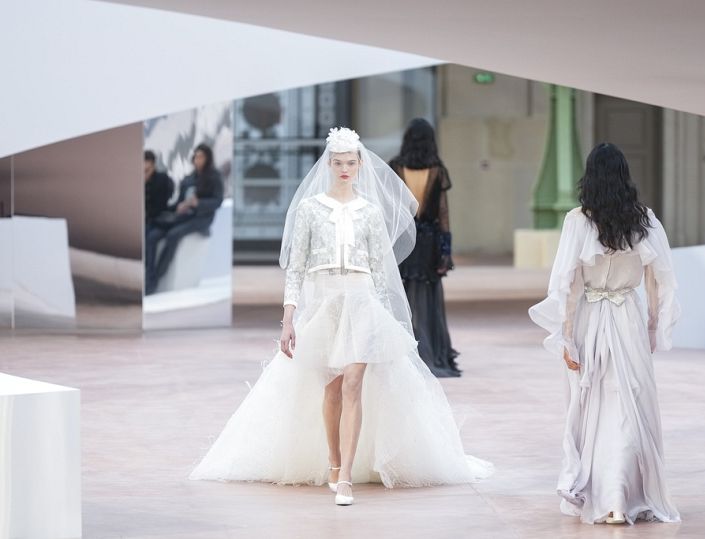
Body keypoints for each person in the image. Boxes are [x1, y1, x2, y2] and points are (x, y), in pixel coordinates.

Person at [189, 128, 492, 505]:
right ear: (328, 164)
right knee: (331, 388)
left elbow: (382, 273)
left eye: (351, 162)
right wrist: (289, 319)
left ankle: (346, 476)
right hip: (325, 303)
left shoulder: (370, 211)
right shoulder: (310, 209)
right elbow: (296, 268)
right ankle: (333, 462)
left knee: (352, 382)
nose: (345, 168)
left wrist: (386, 317)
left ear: (360, 164)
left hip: (362, 301)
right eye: (338, 162)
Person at [529, 143, 681, 525]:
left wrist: (565, 336)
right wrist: (651, 327)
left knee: (591, 406)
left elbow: (566, 283)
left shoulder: (578, 220)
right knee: (628, 405)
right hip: (627, 317)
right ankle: (620, 497)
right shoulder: (644, 220)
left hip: (591, 319)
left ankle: (607, 496)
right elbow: (660, 280)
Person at [389, 119, 460, 377]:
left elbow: (390, 211)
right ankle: (432, 353)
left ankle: (400, 354)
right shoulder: (437, 171)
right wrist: (445, 251)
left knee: (400, 296)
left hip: (402, 240)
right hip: (429, 242)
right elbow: (443, 215)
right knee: (429, 300)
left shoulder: (395, 167)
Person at [145, 143, 223, 295]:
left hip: (201, 219)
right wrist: (176, 207)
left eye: (201, 156)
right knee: (153, 235)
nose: (197, 160)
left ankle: (156, 277)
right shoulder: (188, 179)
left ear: (207, 158)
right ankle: (149, 274)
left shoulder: (214, 177)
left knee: (173, 234)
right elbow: (179, 202)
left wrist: (198, 203)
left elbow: (217, 201)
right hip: (182, 216)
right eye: (196, 156)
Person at [143, 150, 174, 227]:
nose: (144, 174)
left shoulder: (163, 179)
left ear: (153, 166)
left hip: (159, 219)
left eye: (147, 170)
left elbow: (161, 204)